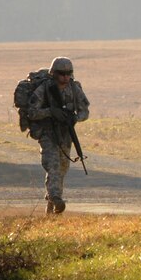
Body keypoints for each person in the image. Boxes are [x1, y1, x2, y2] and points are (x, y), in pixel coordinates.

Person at [26, 56, 90, 214]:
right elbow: (31, 112)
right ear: (54, 73)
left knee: (62, 169)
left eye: (69, 73)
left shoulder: (74, 89)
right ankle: (56, 199)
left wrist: (74, 118)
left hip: (65, 133)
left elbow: (85, 112)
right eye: (62, 73)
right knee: (53, 167)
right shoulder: (45, 89)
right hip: (48, 133)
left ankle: (52, 205)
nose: (65, 77)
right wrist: (50, 112)